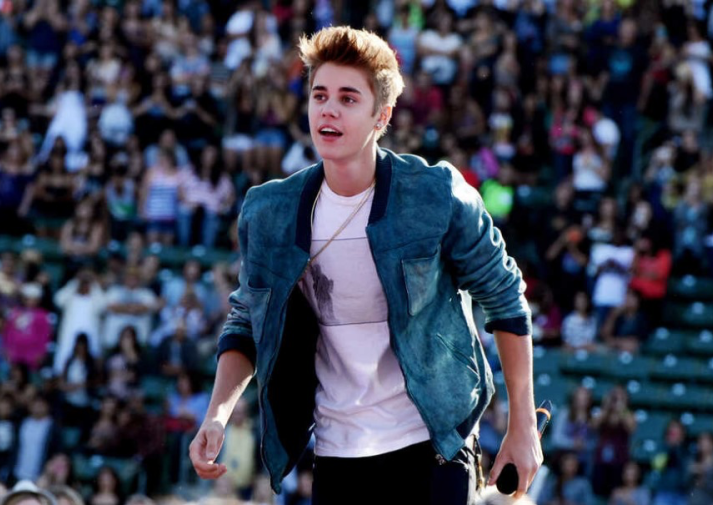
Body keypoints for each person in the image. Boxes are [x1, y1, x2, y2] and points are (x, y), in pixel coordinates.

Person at [190, 26, 540, 504]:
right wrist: (217, 414)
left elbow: (506, 299)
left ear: (382, 115)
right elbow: (247, 321)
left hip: (432, 443)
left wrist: (523, 425)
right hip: (338, 451)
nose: (328, 110)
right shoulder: (270, 212)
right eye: (319, 95)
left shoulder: (434, 195)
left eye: (348, 98)